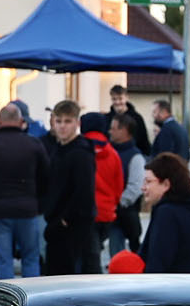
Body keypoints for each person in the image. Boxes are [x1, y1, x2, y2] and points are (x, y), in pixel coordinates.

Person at [0, 104, 48, 279]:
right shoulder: (34, 144)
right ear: (21, 121)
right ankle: (32, 295)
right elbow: (46, 176)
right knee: (31, 259)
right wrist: (38, 203)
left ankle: (7, 295)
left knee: (2, 262)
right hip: (28, 210)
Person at [43, 100, 95, 276]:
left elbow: (84, 193)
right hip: (55, 223)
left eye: (67, 121)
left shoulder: (81, 153)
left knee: (68, 277)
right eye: (59, 121)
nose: (62, 126)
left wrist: (64, 220)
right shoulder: (57, 150)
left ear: (77, 123)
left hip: (73, 227)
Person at [138, 152, 190, 275]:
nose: (143, 188)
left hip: (170, 286)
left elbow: (158, 262)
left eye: (148, 182)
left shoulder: (167, 214)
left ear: (166, 184)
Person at [83, 111, 124, 272]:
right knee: (95, 251)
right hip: (106, 212)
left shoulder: (80, 150)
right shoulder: (113, 154)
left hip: (86, 212)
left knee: (87, 257)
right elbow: (119, 186)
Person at [107, 114, 146, 258]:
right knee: (115, 251)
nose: (110, 131)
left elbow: (135, 187)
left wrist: (118, 203)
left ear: (124, 131)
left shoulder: (135, 157)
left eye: (113, 128)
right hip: (112, 213)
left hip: (125, 213)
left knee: (122, 252)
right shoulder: (109, 152)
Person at [109, 84, 151, 154]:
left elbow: (143, 141)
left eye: (120, 98)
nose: (117, 102)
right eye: (114, 99)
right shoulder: (107, 118)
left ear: (126, 98)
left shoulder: (137, 118)